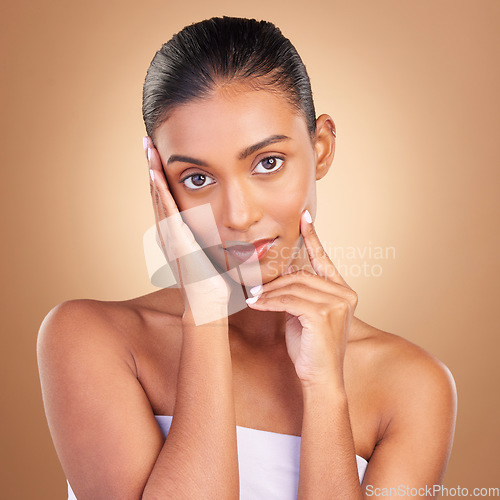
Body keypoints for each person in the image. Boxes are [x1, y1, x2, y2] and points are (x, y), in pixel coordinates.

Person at [37, 16, 457, 499]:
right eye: (198, 178)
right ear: (161, 184)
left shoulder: (413, 388)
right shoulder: (93, 339)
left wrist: (325, 392)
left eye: (267, 163)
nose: (238, 215)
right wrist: (206, 316)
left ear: (321, 148)